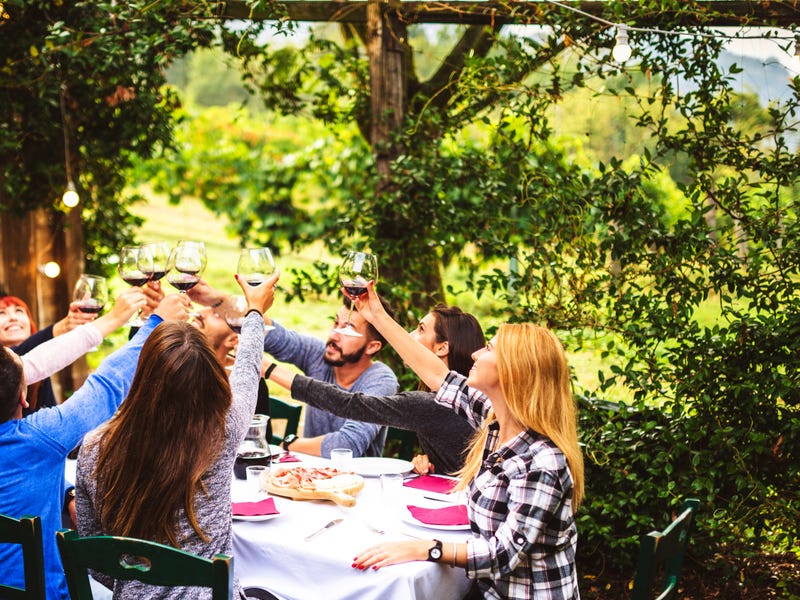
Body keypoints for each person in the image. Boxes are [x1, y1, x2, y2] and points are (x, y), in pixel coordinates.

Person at [349, 282, 585, 600]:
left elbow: (503, 554)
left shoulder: (543, 462)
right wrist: (375, 314)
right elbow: (435, 374)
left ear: (514, 371)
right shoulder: (496, 419)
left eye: (488, 348)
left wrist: (425, 549)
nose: (475, 352)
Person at [75, 272, 278, 599]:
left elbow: (94, 551)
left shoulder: (95, 445)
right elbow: (246, 376)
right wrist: (254, 312)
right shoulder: (222, 434)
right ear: (211, 384)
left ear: (141, 374)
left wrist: (137, 584)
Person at [0, 289, 190, 600]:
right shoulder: (41, 437)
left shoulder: (39, 443)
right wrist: (156, 322)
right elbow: (107, 385)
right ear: (24, 398)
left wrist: (66, 492)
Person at [268, 304, 485, 475]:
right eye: (336, 323)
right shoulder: (469, 399)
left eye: (420, 329)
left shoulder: (431, 403)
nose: (409, 335)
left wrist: (269, 370)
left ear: (442, 348)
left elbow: (349, 407)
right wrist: (430, 461)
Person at [189, 282, 398, 458]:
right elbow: (274, 335)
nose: (334, 334)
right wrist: (217, 300)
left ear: (373, 347)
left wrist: (290, 443)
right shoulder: (322, 354)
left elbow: (346, 445)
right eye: (335, 322)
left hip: (359, 489)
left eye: (348, 329)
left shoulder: (381, 380)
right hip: (307, 479)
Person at [0, 295, 97, 414]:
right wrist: (65, 325)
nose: (13, 318)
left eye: (19, 311)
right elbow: (17, 357)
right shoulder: (6, 364)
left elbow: (49, 409)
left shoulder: (42, 364)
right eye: (2, 313)